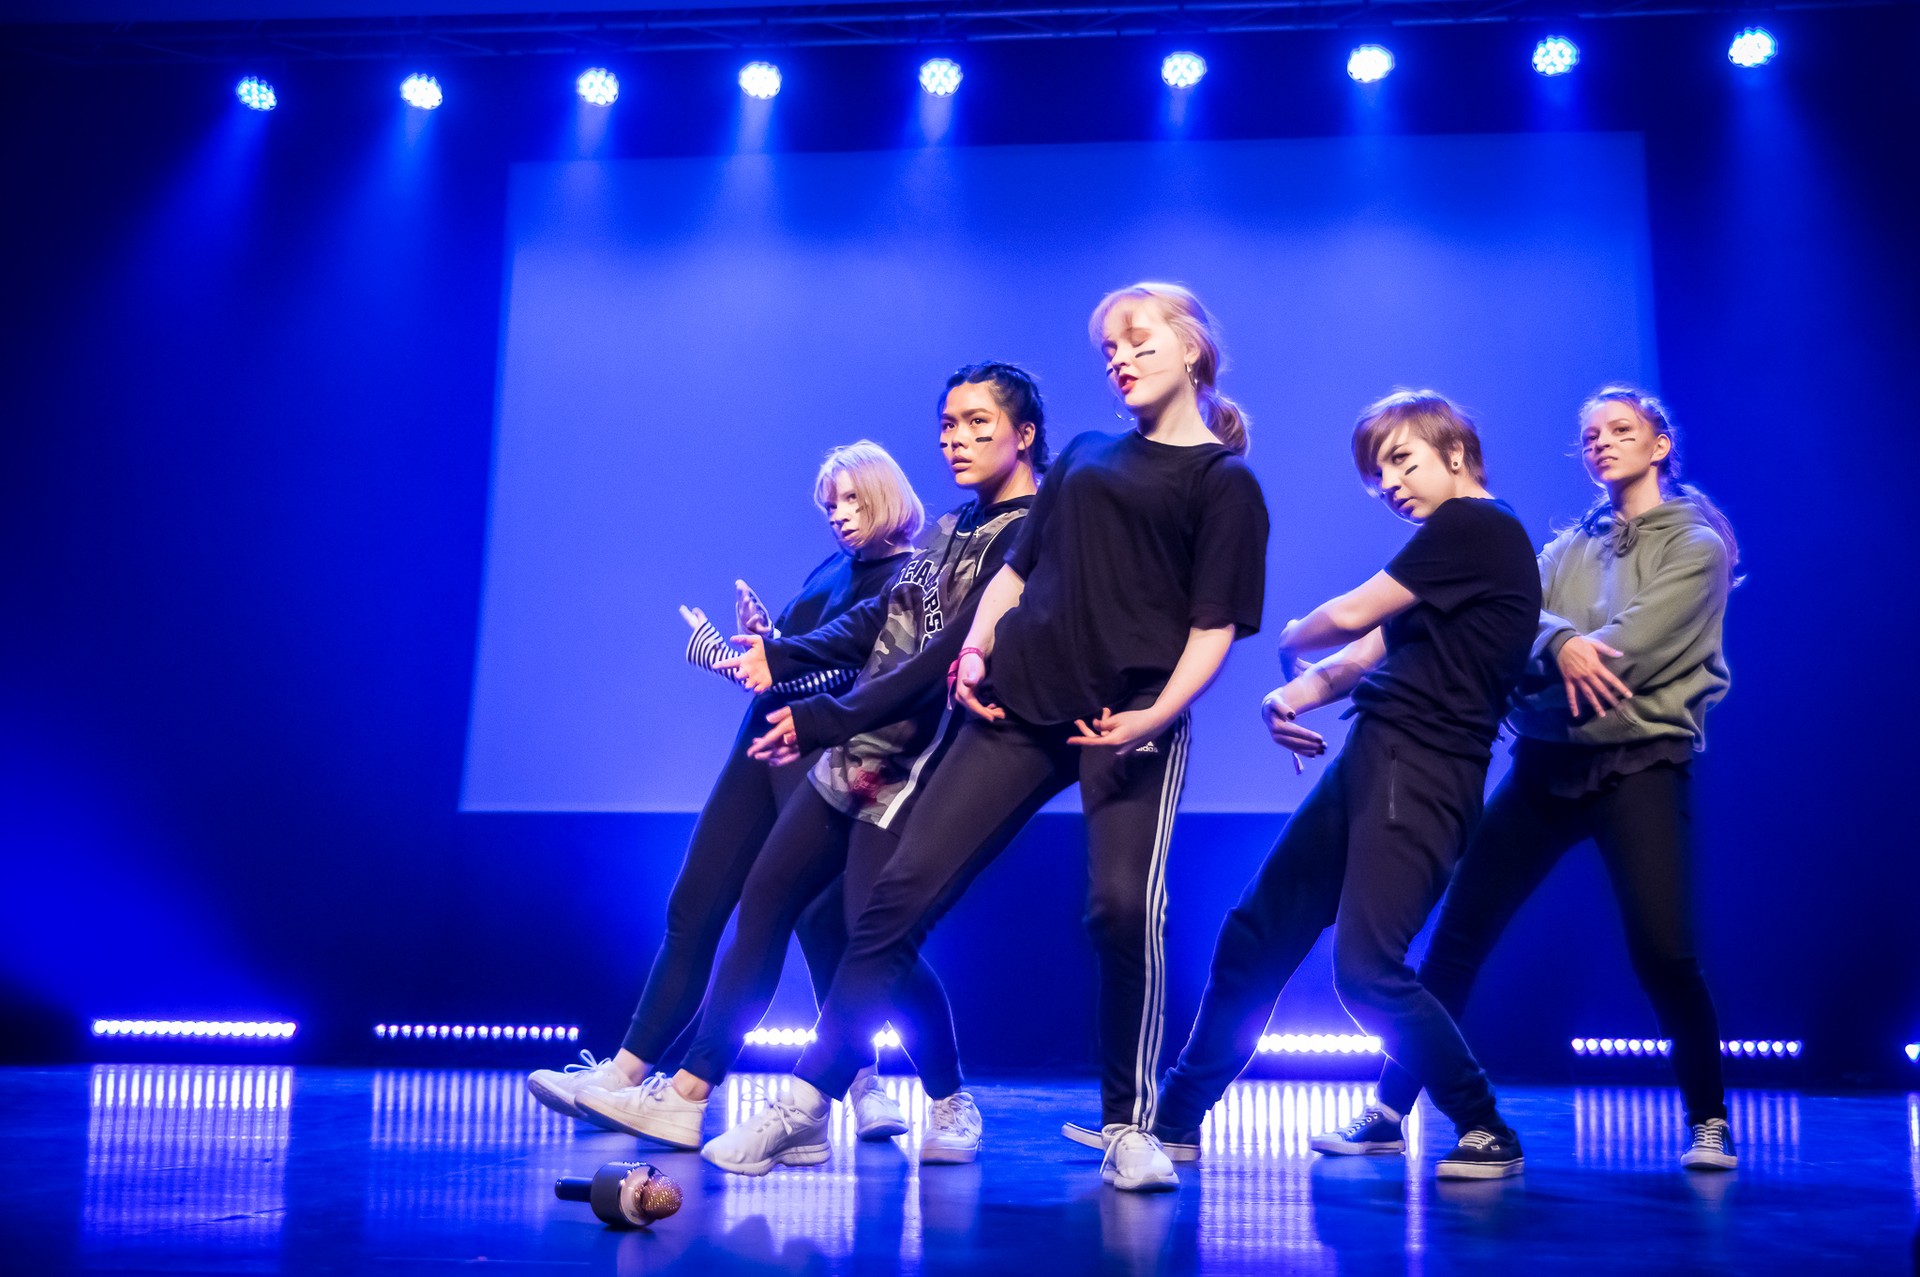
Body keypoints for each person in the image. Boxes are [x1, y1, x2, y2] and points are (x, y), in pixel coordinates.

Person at [698, 282, 1268, 1189]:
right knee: (896, 897)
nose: (1120, 359)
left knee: (1121, 908)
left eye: (1138, 340)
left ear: (1193, 350)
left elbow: (1215, 627)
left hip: (1129, 717)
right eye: (1109, 349)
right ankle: (806, 1100)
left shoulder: (1222, 483)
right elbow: (1016, 574)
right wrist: (972, 653)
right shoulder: (1084, 458)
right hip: (1018, 704)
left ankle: (1129, 1124)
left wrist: (1156, 716)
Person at [573, 363, 1047, 1167]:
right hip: (857, 750)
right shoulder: (952, 527)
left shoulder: (1029, 534)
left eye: (977, 424)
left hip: (922, 762)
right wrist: (781, 653)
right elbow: (878, 623)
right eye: (946, 426)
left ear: (1024, 433)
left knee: (875, 939)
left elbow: (936, 656)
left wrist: (817, 711)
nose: (955, 440)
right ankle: (687, 1093)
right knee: (766, 898)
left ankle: (947, 1097)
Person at [1329, 386, 1742, 1172]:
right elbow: (1508, 615)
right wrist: (1558, 646)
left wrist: (1547, 658)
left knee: (1663, 952)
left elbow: (1628, 654)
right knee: (1457, 938)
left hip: (1639, 762)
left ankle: (1709, 1119)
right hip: (1547, 760)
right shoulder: (1563, 547)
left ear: (1659, 444)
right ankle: (1386, 1111)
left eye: (1620, 429)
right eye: (1590, 435)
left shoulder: (1697, 545)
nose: (1601, 442)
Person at [1150, 390, 1539, 1184]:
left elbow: (1348, 616)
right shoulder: (1449, 560)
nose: (1389, 483)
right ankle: (1174, 1121)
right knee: (1255, 934)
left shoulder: (1477, 528)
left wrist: (1288, 636)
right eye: (1377, 474)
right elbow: (1360, 656)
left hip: (1424, 767)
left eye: (1401, 460)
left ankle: (1485, 1126)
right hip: (1374, 754)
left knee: (1367, 972)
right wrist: (1287, 695)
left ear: (1455, 452)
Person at [525, 442, 921, 1123]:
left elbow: (855, 678)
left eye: (852, 499)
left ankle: (859, 1082)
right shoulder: (833, 568)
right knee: (695, 904)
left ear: (885, 495)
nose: (838, 514)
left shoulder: (907, 579)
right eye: (830, 504)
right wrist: (760, 638)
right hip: (760, 743)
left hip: (819, 751)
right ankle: (624, 1071)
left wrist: (758, 657)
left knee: (808, 922)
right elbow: (789, 659)